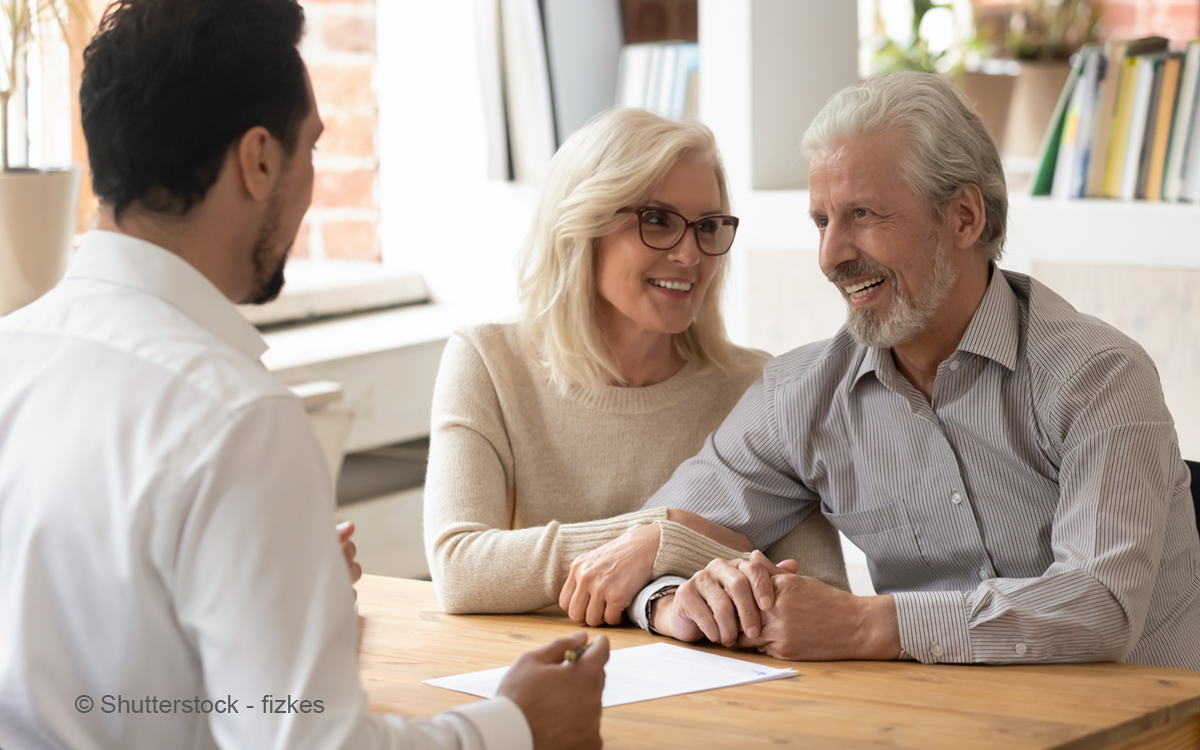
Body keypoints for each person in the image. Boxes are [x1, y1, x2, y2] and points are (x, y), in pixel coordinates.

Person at [0, 2, 609, 748]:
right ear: (259, 160)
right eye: (312, 148)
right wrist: (514, 726)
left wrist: (282, 591)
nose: (311, 177)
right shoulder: (235, 420)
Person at [622, 72, 1200, 670]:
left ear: (964, 218)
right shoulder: (800, 397)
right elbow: (642, 547)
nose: (831, 256)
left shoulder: (1099, 377)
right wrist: (674, 603)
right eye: (822, 221)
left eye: (863, 214)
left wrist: (867, 624)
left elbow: (1100, 608)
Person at [423, 108, 847, 626]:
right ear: (582, 227)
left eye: (708, 227)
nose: (691, 256)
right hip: (543, 678)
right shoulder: (488, 362)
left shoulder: (758, 387)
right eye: (658, 221)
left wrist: (656, 548)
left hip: (720, 694)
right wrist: (672, 527)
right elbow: (460, 568)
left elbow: (817, 590)